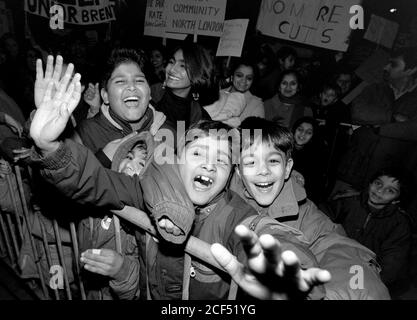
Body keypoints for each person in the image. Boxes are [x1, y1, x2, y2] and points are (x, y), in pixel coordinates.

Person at [29, 62, 331, 299]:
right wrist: (49, 146)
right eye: (199, 153)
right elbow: (94, 180)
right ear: (177, 159)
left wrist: (285, 267)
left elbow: (260, 231)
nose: (210, 166)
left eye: (222, 160)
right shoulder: (148, 187)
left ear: (229, 177)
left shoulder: (232, 213)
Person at [226, 117, 390, 299]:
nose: (263, 170)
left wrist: (356, 288)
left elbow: (333, 244)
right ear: (238, 170)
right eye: (251, 162)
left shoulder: (300, 209)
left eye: (273, 161)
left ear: (287, 168)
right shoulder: (218, 195)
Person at [320, 167, 412, 297]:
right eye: (378, 183)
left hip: (365, 270)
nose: (380, 190)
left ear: (397, 199)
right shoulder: (348, 200)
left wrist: (373, 280)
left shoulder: (399, 224)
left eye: (390, 190)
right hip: (334, 256)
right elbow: (322, 221)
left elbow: (393, 262)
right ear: (370, 183)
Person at [155, 43, 212, 135]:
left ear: (198, 73)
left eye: (183, 66)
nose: (172, 69)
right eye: (171, 62)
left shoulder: (198, 115)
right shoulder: (151, 97)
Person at [204, 59, 264, 127]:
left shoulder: (256, 104)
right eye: (239, 75)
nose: (243, 81)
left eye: (249, 78)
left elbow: (256, 134)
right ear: (232, 76)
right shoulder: (218, 92)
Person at [291, 117, 328, 203]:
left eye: (308, 132)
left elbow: (314, 187)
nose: (302, 134)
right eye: (300, 129)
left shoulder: (316, 156)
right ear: (294, 130)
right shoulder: (282, 148)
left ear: (313, 136)